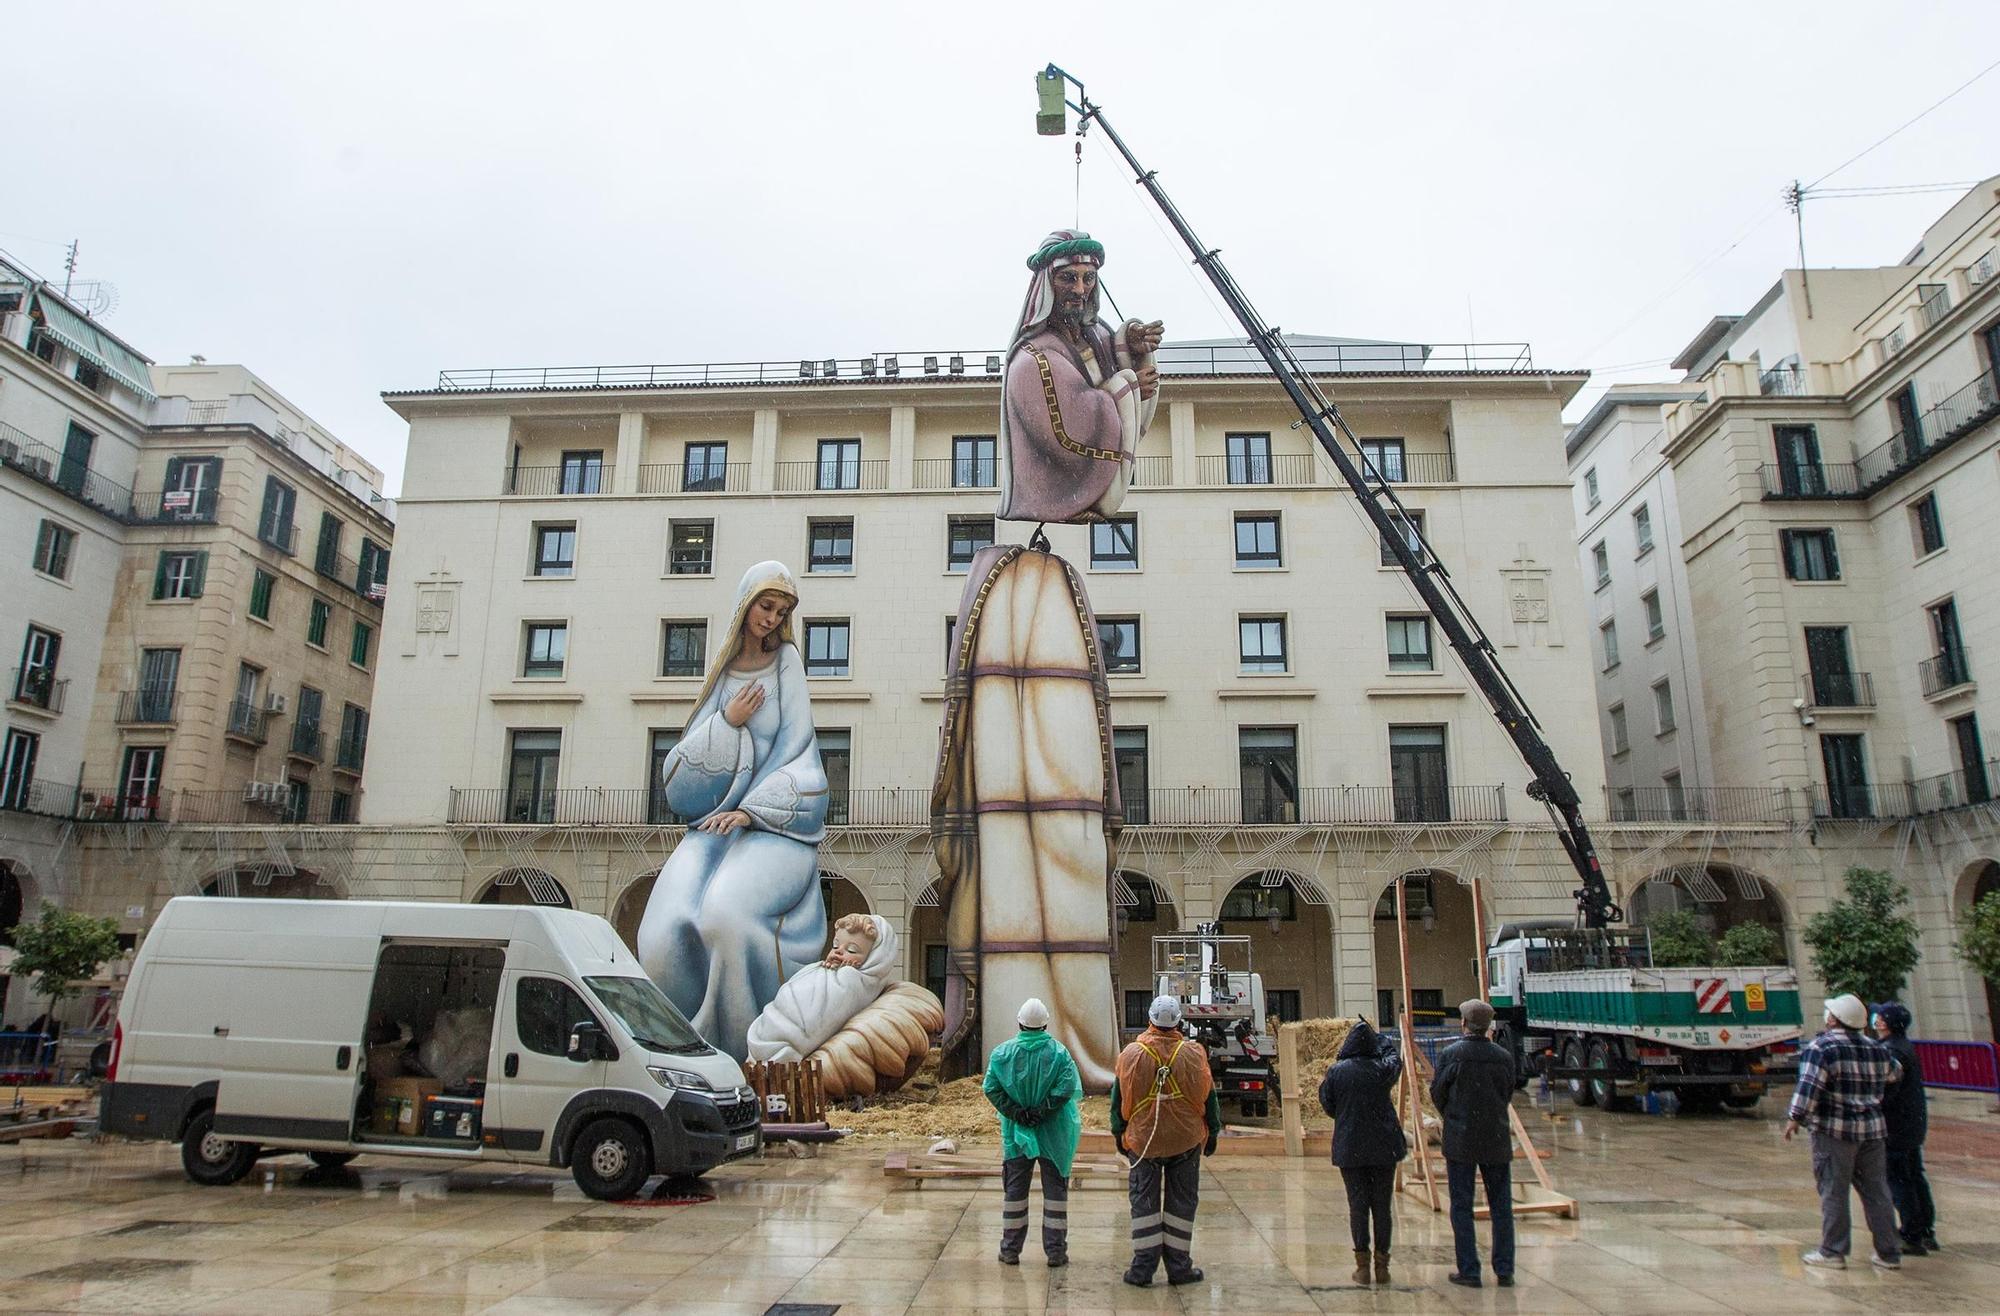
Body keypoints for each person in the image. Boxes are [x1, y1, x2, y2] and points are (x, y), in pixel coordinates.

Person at [636, 561, 829, 1060]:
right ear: (746, 604)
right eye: (766, 607)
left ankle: (747, 1052)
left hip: (774, 825)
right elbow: (683, 769)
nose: (771, 618)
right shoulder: (721, 673)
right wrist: (728, 721)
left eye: (781, 611)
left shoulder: (787, 661)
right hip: (711, 828)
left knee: (727, 916)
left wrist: (751, 812)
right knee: (663, 929)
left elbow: (799, 748)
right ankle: (679, 1048)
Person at [997, 229, 1164, 525]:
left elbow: (1110, 368)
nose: (1079, 289)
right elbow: (1073, 421)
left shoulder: (1097, 335)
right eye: (1068, 278)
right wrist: (1132, 385)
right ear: (1047, 284)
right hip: (1052, 487)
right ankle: (1068, 501)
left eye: (1088, 278)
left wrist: (1132, 348)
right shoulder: (1032, 357)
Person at [1785, 993, 1902, 1270]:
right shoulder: (1877, 1048)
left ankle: (1832, 1251)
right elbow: (1895, 1073)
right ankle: (1889, 1253)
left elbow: (1809, 1086)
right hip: (1872, 1132)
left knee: (1833, 1191)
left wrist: (1795, 1117)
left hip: (1834, 1131)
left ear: (1833, 1019)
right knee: (1877, 1192)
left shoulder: (1821, 1047)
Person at [1110, 995, 1220, 1288]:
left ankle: (1142, 1269)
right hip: (1185, 1140)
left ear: (1149, 1019)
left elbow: (1118, 1098)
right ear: (1179, 1022)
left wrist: (1118, 1133)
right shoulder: (1194, 1054)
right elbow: (1210, 1098)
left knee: (1144, 1203)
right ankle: (1179, 1268)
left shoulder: (1131, 1054)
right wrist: (1213, 1134)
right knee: (1182, 1204)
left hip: (1144, 1140)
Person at [981, 998, 1083, 1267]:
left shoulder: (1003, 1054)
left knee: (1015, 1193)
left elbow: (991, 1088)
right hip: (1054, 1134)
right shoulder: (1059, 1054)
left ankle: (1010, 1250)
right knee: (1055, 1194)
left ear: (1019, 1023)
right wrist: (1043, 1111)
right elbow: (1067, 1087)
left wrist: (1017, 1112)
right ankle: (1056, 1252)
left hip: (1017, 1133)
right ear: (1046, 1024)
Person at [1429, 998, 1517, 1289]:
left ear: (1464, 1023)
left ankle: (1469, 1269)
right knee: (1501, 1206)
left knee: (1462, 1205)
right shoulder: (1503, 1056)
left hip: (1461, 1137)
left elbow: (1438, 1092)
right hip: (1496, 1137)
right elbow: (1507, 1092)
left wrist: (1453, 1115)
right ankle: (1504, 1269)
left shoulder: (1452, 1055)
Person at [1318, 1017, 1406, 1285]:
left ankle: (1362, 1266)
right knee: (1382, 1207)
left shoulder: (1337, 1071)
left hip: (1351, 1146)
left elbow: (1327, 1102)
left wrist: (1346, 1116)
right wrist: (1382, 1041)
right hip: (1384, 1146)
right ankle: (1383, 1266)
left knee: (1357, 1206)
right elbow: (1396, 1060)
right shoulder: (1381, 1069)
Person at [1873, 1002, 1937, 1255]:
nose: (1875, 1020)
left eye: (1879, 1017)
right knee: (1914, 1176)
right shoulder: (1902, 1046)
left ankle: (1912, 1234)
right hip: (1911, 1123)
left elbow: (1887, 1090)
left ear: (1886, 1022)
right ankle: (1925, 1229)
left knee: (1899, 1179)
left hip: (1896, 1125)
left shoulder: (1892, 1052)